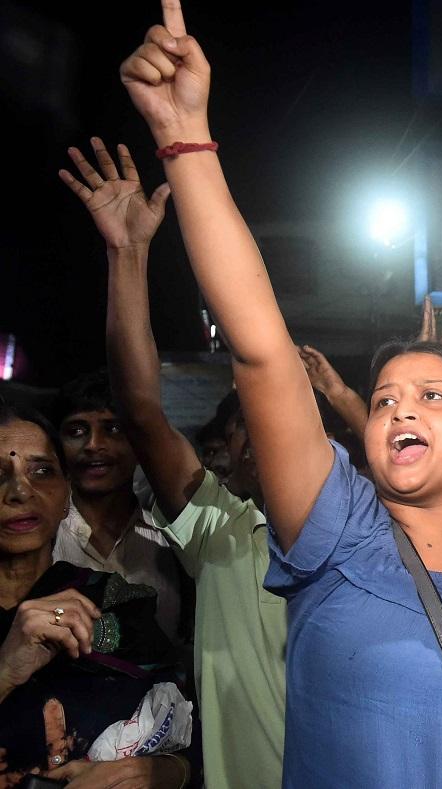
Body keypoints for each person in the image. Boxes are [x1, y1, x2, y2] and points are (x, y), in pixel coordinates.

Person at [118, 5, 442, 786]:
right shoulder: (335, 528)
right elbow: (262, 347)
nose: (401, 408)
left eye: (433, 396)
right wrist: (185, 137)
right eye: (383, 400)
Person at [58, 133, 287, 789]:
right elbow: (140, 409)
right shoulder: (227, 534)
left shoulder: (379, 547)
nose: (262, 442)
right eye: (244, 432)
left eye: (281, 428)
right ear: (230, 454)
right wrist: (128, 254)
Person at [0, 404, 191, 786]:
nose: (20, 492)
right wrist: (5, 670)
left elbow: (195, 742)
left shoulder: (114, 604)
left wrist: (156, 772)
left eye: (42, 472)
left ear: (66, 495)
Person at [48, 368, 187, 644]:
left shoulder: (170, 537)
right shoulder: (43, 534)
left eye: (113, 429)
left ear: (139, 442)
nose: (93, 445)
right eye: (76, 431)